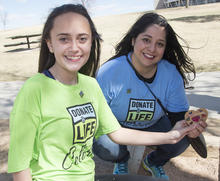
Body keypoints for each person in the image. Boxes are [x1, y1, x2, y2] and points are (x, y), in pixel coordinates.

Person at [7, 5, 196, 181]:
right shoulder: (34, 89)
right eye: (64, 39)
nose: (74, 47)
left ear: (91, 42)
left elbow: (117, 133)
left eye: (82, 39)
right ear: (49, 44)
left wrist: (170, 136)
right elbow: (19, 165)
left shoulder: (90, 85)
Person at [93, 12, 208, 180]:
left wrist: (191, 129)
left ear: (164, 48)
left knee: (183, 139)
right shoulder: (109, 72)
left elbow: (178, 117)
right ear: (133, 40)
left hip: (154, 125)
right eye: (146, 40)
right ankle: (122, 159)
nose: (152, 49)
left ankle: (153, 162)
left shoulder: (171, 74)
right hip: (117, 126)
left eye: (159, 43)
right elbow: (98, 120)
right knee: (103, 144)